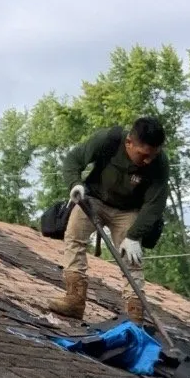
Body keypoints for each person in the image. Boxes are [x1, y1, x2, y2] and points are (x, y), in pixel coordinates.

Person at [48, 117, 169, 324]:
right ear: (129, 143)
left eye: (153, 155)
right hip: (93, 199)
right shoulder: (108, 140)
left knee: (132, 259)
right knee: (74, 237)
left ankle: (135, 316)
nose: (148, 161)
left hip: (128, 211)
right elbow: (73, 160)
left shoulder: (159, 163)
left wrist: (134, 235)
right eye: (143, 155)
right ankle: (74, 300)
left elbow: (154, 205)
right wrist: (75, 184)